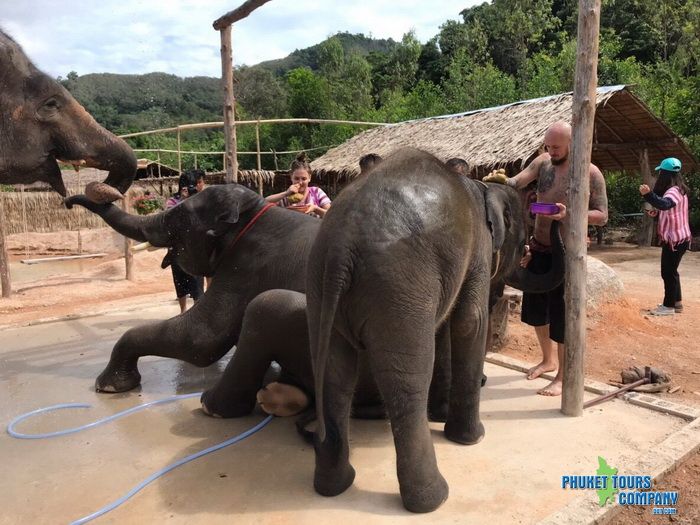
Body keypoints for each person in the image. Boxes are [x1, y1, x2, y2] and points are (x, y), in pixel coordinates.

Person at [485, 121, 608, 396]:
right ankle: (548, 359)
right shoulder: (543, 163)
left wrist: (571, 213)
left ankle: (564, 376)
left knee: (562, 316)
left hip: (567, 253)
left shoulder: (590, 173)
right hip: (539, 246)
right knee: (536, 311)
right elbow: (518, 181)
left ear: (572, 143)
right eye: (548, 146)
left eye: (556, 147)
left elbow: (602, 215)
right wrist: (502, 182)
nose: (551, 151)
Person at [639, 157, 691, 315]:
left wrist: (648, 195)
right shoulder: (679, 190)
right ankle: (677, 303)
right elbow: (667, 209)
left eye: (660, 172)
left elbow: (665, 204)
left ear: (665, 174)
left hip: (675, 240)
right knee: (672, 271)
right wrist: (656, 213)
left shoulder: (673, 191)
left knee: (667, 272)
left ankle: (668, 307)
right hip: (678, 239)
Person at [166, 171, 205, 313]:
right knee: (180, 282)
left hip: (195, 249)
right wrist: (183, 200)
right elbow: (170, 219)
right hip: (177, 248)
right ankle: (182, 312)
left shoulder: (202, 199)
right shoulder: (173, 201)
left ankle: (197, 312)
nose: (202, 184)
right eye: (199, 182)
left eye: (201, 182)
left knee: (197, 283)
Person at [265, 153, 331, 217]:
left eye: (304, 179)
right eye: (296, 178)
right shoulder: (286, 197)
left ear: (309, 178)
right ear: (291, 177)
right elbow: (264, 202)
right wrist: (286, 194)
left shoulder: (316, 192)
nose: (300, 182)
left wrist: (315, 209)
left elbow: (331, 215)